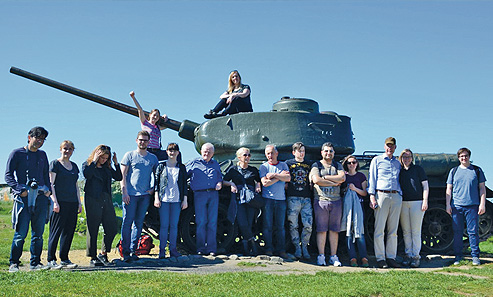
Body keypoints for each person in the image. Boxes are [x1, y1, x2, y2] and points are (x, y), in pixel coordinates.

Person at [6, 127, 52, 272]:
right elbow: (8, 175)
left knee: (38, 234)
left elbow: (46, 175)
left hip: (40, 197)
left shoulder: (43, 155)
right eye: (37, 138)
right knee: (21, 233)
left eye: (43, 139)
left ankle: (35, 262)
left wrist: (48, 190)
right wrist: (19, 190)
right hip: (24, 198)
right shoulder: (17, 153)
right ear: (29, 137)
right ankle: (14, 263)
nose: (39, 141)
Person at [120, 130, 158, 262]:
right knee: (127, 222)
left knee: (139, 223)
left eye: (145, 140)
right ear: (136, 141)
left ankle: (133, 251)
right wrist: (124, 192)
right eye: (141, 140)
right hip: (130, 195)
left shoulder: (152, 158)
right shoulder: (129, 155)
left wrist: (153, 189)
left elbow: (157, 175)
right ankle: (125, 252)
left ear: (149, 142)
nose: (143, 142)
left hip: (144, 196)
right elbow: (122, 176)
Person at [446, 147, 487, 266]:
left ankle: (475, 256)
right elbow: (449, 189)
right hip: (457, 206)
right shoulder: (453, 171)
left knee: (473, 232)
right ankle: (458, 256)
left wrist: (482, 204)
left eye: (466, 156)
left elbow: (482, 188)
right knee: (457, 232)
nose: (464, 158)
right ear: (458, 158)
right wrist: (448, 204)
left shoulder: (477, 170)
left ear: (469, 156)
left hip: (472, 205)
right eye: (461, 156)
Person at [83, 144, 122, 267]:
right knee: (93, 228)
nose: (104, 160)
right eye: (102, 157)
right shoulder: (88, 165)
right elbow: (87, 174)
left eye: (106, 158)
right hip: (92, 198)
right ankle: (92, 256)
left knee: (111, 227)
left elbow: (119, 177)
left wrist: (116, 163)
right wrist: (94, 161)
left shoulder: (107, 168)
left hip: (106, 198)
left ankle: (103, 253)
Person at [368, 137, 402, 269]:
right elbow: (372, 178)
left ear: (395, 147)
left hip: (396, 195)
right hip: (381, 194)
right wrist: (372, 196)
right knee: (379, 229)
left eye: (392, 146)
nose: (390, 148)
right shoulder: (377, 160)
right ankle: (380, 258)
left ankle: (391, 257)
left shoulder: (398, 162)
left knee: (393, 230)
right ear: (384, 146)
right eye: (388, 146)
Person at [46, 140, 82, 270]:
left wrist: (79, 202)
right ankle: (51, 259)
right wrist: (54, 201)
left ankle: (65, 258)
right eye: (65, 148)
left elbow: (76, 185)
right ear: (60, 149)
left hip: (72, 202)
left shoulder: (74, 166)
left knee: (69, 231)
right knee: (55, 231)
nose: (67, 151)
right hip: (59, 203)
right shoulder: (55, 164)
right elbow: (51, 184)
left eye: (70, 149)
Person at [310, 142, 345, 267]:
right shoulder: (316, 165)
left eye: (330, 151)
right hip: (321, 200)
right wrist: (333, 182)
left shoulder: (338, 165)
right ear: (321, 152)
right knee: (321, 229)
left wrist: (325, 179)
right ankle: (321, 255)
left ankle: (333, 256)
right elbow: (316, 180)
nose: (328, 153)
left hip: (335, 201)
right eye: (326, 151)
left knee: (334, 230)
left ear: (333, 153)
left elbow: (342, 178)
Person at [186, 143, 224, 255]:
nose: (206, 153)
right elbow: (184, 175)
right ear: (201, 151)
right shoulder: (194, 163)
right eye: (205, 151)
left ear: (213, 153)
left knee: (212, 222)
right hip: (199, 194)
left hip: (213, 194)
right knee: (201, 222)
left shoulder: (215, 164)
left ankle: (212, 249)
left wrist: (219, 183)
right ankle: (201, 248)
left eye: (209, 151)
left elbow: (219, 177)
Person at [223, 147, 262, 256]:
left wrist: (258, 185)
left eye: (249, 155)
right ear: (239, 157)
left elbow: (258, 180)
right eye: (245, 155)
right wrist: (231, 184)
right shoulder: (233, 170)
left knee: (249, 222)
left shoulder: (253, 169)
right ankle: (252, 243)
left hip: (250, 198)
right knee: (242, 222)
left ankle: (246, 247)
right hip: (239, 198)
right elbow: (224, 180)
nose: (247, 157)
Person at [154, 143, 188, 258]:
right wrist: (156, 198)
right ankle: (162, 251)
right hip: (164, 199)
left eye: (174, 150)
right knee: (164, 226)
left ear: (178, 153)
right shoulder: (161, 166)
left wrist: (185, 200)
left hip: (177, 199)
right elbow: (157, 184)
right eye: (170, 150)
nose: (172, 152)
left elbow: (184, 184)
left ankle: (173, 250)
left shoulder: (181, 167)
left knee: (174, 226)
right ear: (167, 152)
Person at [130, 91, 182, 163]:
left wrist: (166, 118)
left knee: (177, 154)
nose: (155, 117)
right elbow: (140, 110)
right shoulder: (145, 123)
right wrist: (133, 97)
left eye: (157, 116)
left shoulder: (158, 127)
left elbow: (168, 126)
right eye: (154, 115)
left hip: (157, 151)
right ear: (150, 115)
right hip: (148, 150)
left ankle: (179, 171)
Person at [399, 149, 429, 268]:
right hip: (403, 202)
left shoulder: (418, 169)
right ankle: (408, 254)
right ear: (401, 158)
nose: (407, 159)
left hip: (417, 202)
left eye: (409, 157)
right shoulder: (400, 171)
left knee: (416, 231)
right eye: (404, 157)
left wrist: (425, 200)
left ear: (412, 158)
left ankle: (416, 256)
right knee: (406, 231)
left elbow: (425, 186)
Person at [260, 145, 291, 258]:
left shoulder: (283, 165)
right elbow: (265, 183)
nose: (270, 155)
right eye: (268, 153)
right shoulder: (264, 166)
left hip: (280, 199)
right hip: (268, 199)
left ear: (277, 153)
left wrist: (273, 175)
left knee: (280, 227)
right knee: (267, 226)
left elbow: (288, 178)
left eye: (272, 153)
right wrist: (280, 176)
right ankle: (268, 248)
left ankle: (281, 250)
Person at [285, 142, 313, 260]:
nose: (302, 153)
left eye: (303, 151)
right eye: (299, 151)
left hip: (306, 198)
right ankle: (297, 247)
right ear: (294, 152)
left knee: (308, 225)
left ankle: (305, 247)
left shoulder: (309, 164)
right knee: (293, 225)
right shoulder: (288, 163)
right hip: (293, 197)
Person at [341, 155, 369, 268]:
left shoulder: (361, 176)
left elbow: (364, 192)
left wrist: (354, 189)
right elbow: (340, 191)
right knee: (348, 232)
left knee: (360, 232)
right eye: (349, 163)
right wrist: (346, 190)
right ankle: (352, 257)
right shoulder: (344, 177)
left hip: (359, 206)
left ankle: (364, 257)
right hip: (347, 207)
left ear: (357, 164)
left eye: (353, 162)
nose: (351, 165)